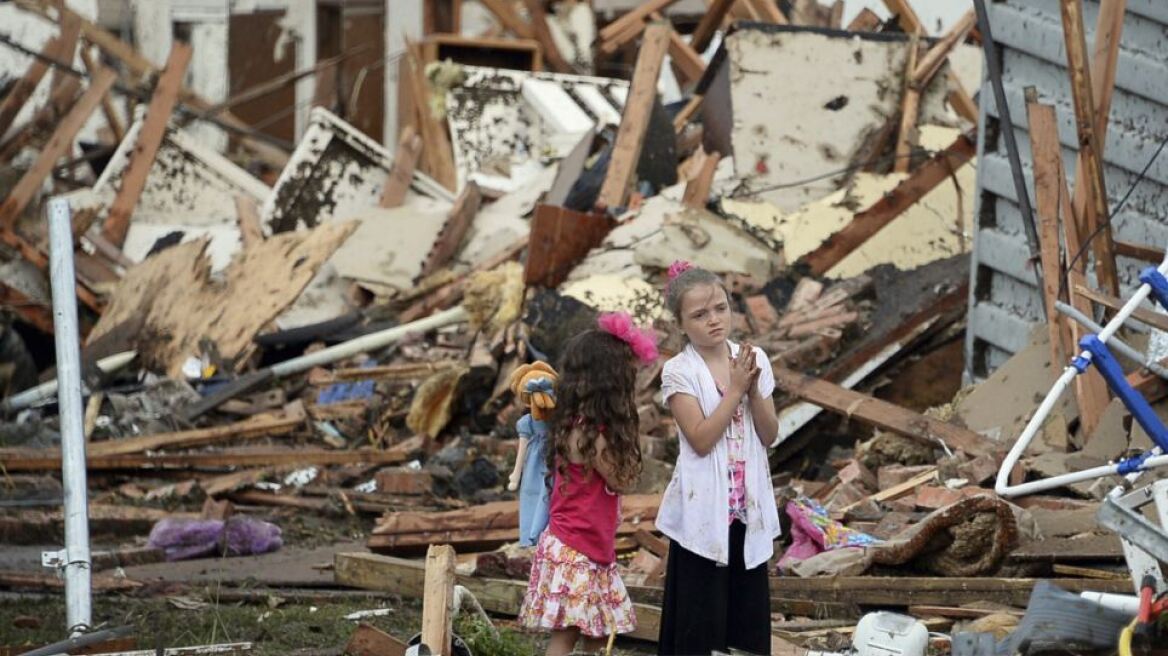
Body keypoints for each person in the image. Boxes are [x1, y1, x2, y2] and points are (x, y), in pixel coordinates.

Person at [656, 261, 782, 656]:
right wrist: (735, 390)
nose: (714, 320)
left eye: (721, 309)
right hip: (703, 511)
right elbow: (700, 439)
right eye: (699, 314)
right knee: (700, 620)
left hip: (746, 507)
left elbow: (769, 434)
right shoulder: (679, 371)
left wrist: (755, 389)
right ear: (680, 324)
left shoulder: (752, 357)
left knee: (746, 621)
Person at [518, 312, 658, 656]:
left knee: (596, 634)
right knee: (569, 636)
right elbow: (621, 480)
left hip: (581, 543)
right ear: (612, 384)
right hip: (578, 548)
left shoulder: (570, 424)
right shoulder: (595, 437)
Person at [507, 361, 559, 547]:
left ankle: (549, 534)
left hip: (555, 458)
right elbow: (522, 448)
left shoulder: (557, 419)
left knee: (552, 498)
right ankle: (532, 536)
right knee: (532, 495)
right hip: (535, 464)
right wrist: (516, 473)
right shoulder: (527, 422)